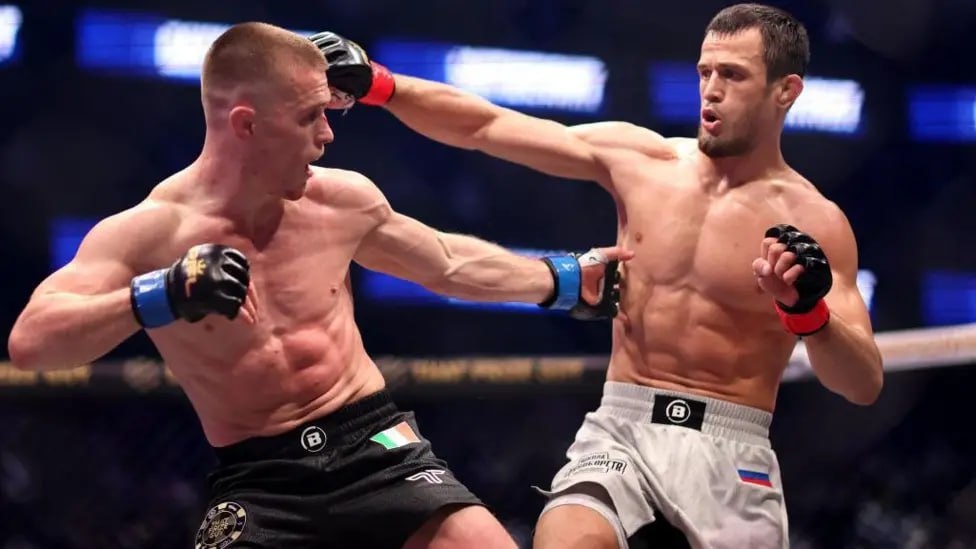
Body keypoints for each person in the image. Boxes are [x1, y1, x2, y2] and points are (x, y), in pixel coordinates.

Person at [6, 22, 631, 549]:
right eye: (309, 117)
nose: (327, 136)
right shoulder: (150, 234)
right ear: (246, 124)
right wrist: (160, 294)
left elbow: (446, 263)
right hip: (261, 481)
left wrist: (563, 279)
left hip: (379, 447)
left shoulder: (340, 201)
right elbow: (33, 344)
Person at [312, 3, 884, 547]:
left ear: (786, 90)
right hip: (621, 429)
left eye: (733, 75)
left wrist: (807, 313)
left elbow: (862, 383)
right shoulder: (643, 161)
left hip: (730, 448)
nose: (711, 90)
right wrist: (382, 85)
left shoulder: (815, 222)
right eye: (705, 72)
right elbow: (486, 125)